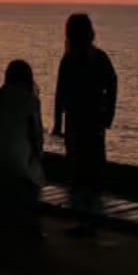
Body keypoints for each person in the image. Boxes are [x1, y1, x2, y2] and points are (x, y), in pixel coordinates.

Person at [53, 12, 117, 237]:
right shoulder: (98, 57)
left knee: (78, 172)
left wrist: (57, 123)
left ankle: (83, 220)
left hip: (76, 121)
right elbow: (112, 83)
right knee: (93, 170)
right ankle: (92, 221)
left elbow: (60, 94)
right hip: (94, 121)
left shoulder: (69, 59)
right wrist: (108, 114)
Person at [0, 59, 45, 263]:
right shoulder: (31, 101)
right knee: (32, 180)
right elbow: (37, 138)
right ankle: (31, 231)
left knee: (1, 180)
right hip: (15, 168)